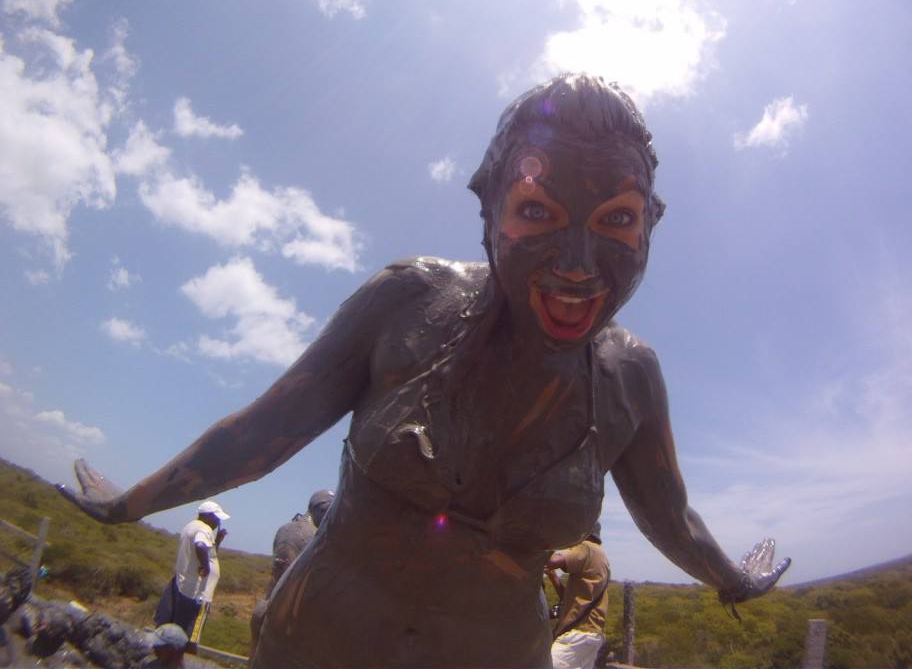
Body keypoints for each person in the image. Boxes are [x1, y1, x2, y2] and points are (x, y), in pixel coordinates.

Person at [59, 73, 790, 669]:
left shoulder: (631, 379)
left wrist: (733, 579)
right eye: (536, 212)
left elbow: (669, 515)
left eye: (617, 222)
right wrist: (132, 504)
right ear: (488, 209)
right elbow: (266, 429)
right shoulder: (408, 300)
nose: (576, 265)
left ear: (651, 225)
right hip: (312, 648)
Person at [249, 489, 335, 656]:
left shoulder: (285, 528)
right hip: (285, 620)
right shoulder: (314, 536)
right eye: (328, 512)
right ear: (320, 510)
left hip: (265, 608)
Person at [154, 501, 229, 652]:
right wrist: (206, 567)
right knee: (191, 636)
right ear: (207, 516)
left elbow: (209, 554)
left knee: (177, 630)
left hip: (185, 588)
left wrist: (217, 541)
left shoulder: (191, 526)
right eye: (217, 518)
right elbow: (200, 546)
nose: (218, 522)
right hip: (199, 594)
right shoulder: (204, 529)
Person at [546, 526, 609, 669]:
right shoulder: (600, 555)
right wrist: (553, 577)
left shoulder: (585, 547)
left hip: (578, 634)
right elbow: (569, 599)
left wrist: (547, 542)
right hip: (591, 635)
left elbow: (551, 561)